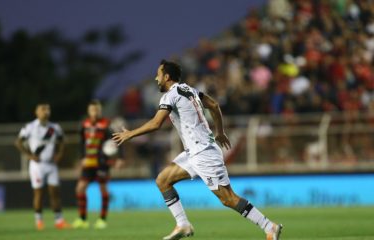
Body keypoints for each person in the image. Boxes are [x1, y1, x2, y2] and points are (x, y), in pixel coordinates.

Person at [113, 60, 283, 240]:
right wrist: (220, 132)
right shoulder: (190, 90)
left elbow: (156, 123)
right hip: (193, 152)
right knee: (163, 180)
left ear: (167, 77)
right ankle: (183, 224)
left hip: (203, 153)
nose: (156, 78)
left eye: (159, 75)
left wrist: (130, 134)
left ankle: (268, 226)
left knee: (228, 199)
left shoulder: (170, 96)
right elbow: (214, 105)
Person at [15, 103, 70, 230]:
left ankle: (59, 221)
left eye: (48, 109)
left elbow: (62, 141)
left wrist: (59, 154)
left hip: (51, 165)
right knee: (39, 193)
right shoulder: (30, 127)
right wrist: (29, 156)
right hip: (37, 165)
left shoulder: (55, 127)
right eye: (43, 109)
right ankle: (39, 221)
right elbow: (18, 142)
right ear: (36, 112)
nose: (46, 111)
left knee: (55, 193)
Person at [72, 100, 122, 229]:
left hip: (102, 162)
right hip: (88, 161)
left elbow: (118, 138)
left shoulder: (107, 124)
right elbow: (82, 143)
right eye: (92, 110)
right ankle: (82, 219)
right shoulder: (85, 124)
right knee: (80, 188)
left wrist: (119, 158)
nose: (95, 112)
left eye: (97, 110)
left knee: (103, 189)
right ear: (89, 111)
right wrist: (81, 158)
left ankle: (102, 220)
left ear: (100, 111)